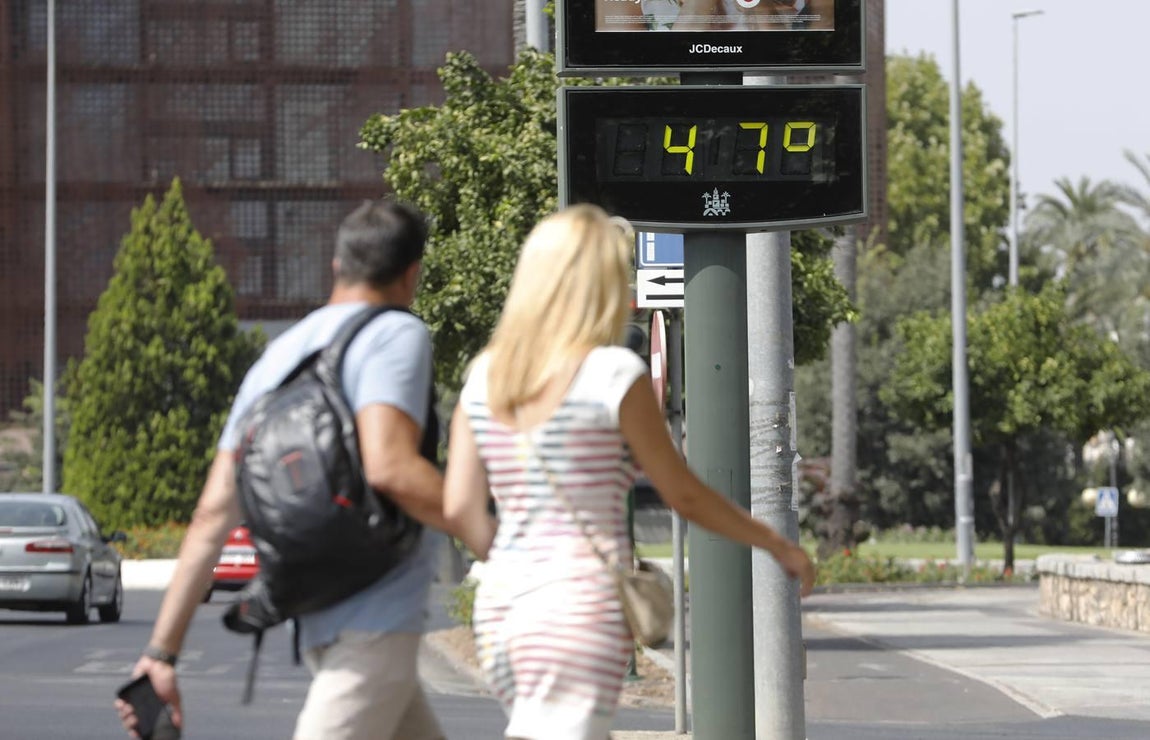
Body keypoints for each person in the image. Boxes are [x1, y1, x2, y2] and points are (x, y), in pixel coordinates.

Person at [116, 200, 490, 740]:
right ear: (412, 274)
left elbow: (210, 516)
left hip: (315, 609)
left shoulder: (280, 357)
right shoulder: (395, 333)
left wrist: (160, 653)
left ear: (337, 266)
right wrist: (492, 533)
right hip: (374, 622)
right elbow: (390, 465)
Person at [442, 204, 816, 740]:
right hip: (580, 603)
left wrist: (519, 565)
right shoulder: (611, 374)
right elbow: (683, 494)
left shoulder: (484, 378)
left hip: (503, 606)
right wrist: (775, 544)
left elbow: (459, 507)